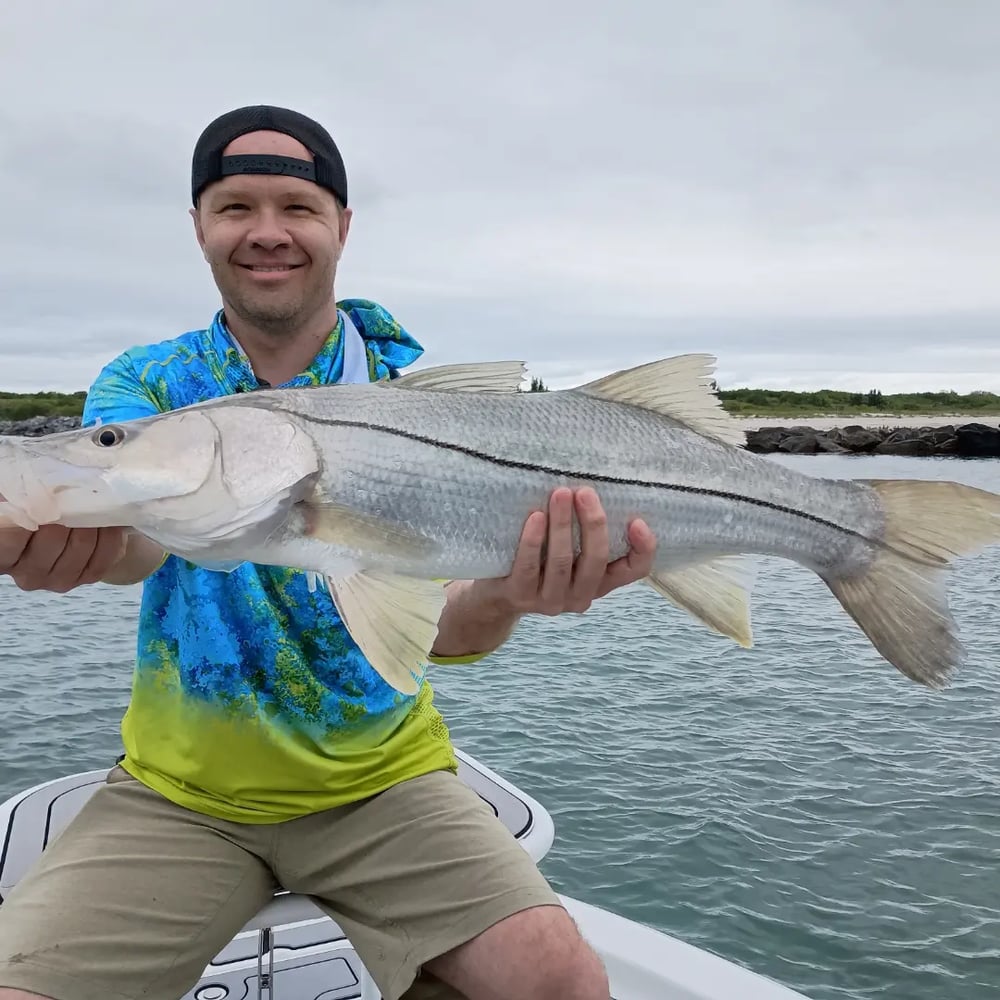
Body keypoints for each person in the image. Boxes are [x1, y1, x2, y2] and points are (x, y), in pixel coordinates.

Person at [0, 105, 657, 1000]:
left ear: (341, 226)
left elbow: (448, 635)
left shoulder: (411, 400)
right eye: (235, 207)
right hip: (183, 795)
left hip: (387, 783)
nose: (267, 233)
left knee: (562, 983)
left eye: (298, 208)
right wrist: (62, 539)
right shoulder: (149, 388)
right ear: (198, 226)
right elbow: (134, 544)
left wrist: (510, 595)